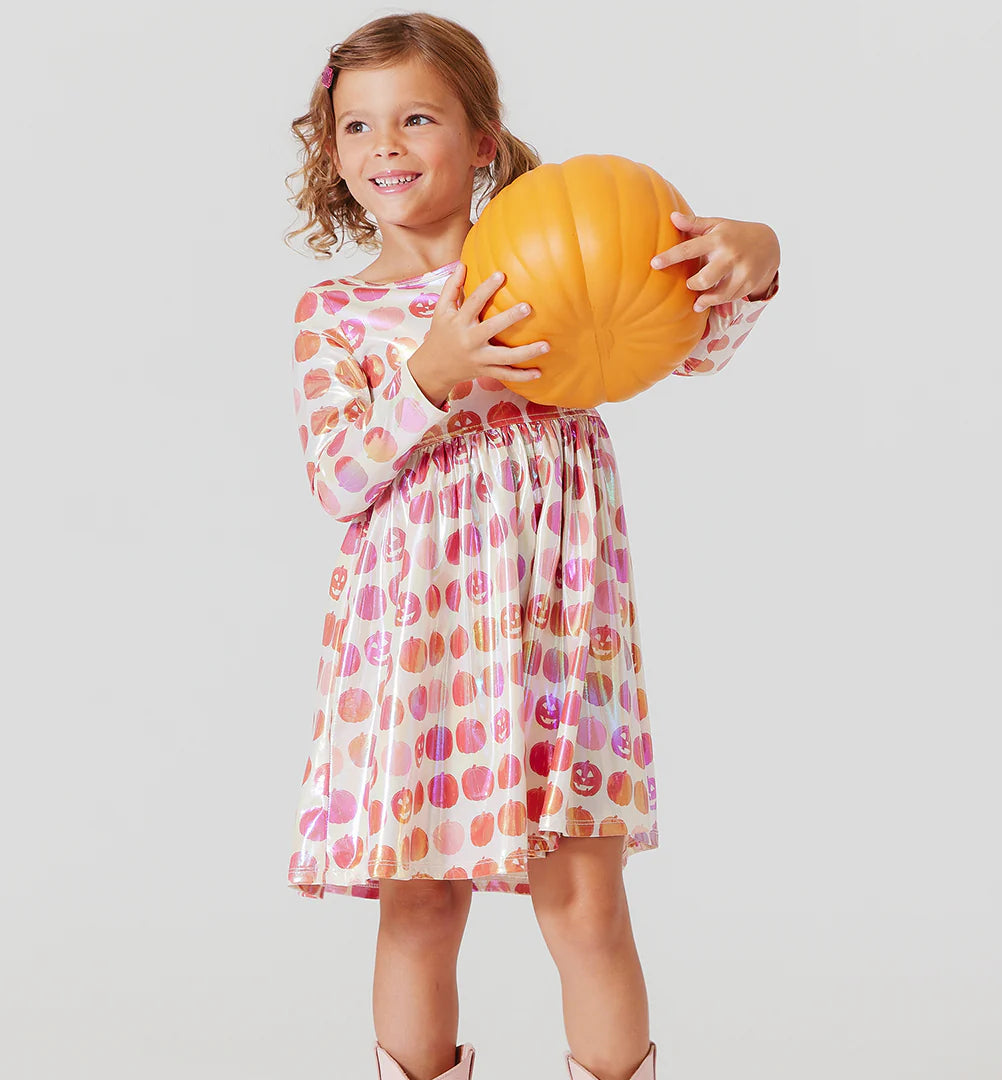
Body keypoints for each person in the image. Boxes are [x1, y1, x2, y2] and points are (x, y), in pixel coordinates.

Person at [282, 13, 780, 1080]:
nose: (386, 146)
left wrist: (756, 259)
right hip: (420, 638)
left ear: (483, 139)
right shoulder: (338, 313)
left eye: (417, 118)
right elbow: (337, 479)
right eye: (357, 125)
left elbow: (689, 341)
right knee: (421, 903)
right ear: (333, 151)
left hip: (561, 620)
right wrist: (431, 372)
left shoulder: (552, 265)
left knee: (587, 903)